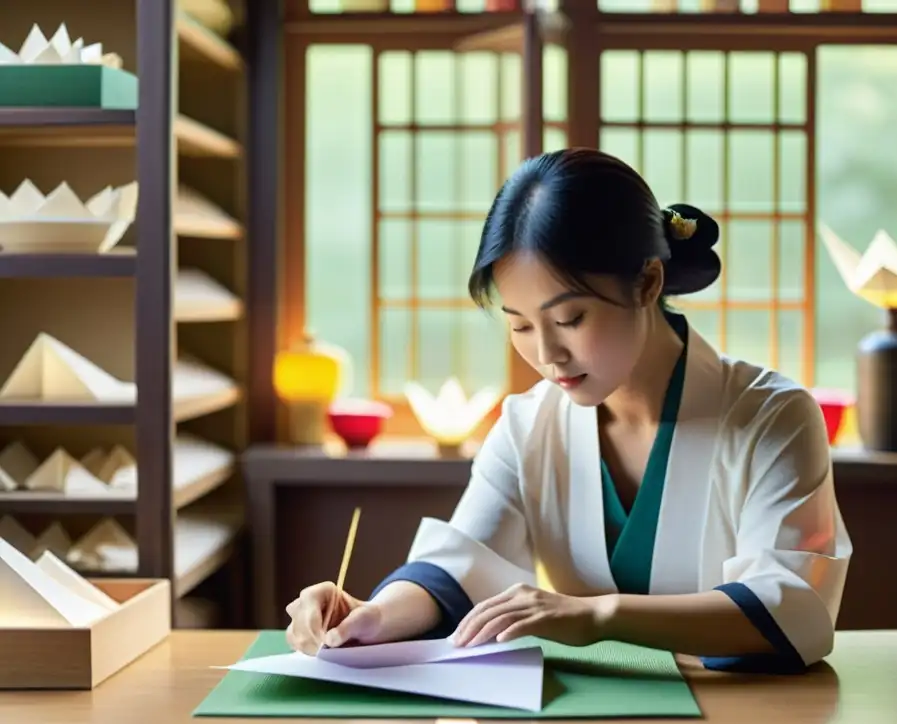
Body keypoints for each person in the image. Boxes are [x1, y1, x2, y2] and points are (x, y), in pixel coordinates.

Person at [285, 147, 852, 674]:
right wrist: (375, 615)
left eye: (569, 320)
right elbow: (458, 567)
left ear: (648, 283)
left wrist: (597, 615)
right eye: (520, 325)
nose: (547, 355)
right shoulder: (528, 424)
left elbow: (789, 609)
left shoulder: (774, 418)